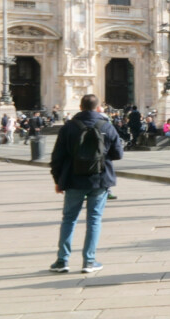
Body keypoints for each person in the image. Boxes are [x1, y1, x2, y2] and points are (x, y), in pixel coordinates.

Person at [47, 94, 125, 272]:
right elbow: (118, 154)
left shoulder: (68, 127)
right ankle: (89, 261)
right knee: (94, 220)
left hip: (73, 179)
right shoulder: (107, 126)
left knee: (69, 219)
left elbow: (57, 157)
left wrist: (58, 180)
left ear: (80, 107)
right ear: (98, 108)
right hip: (99, 180)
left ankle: (62, 261)